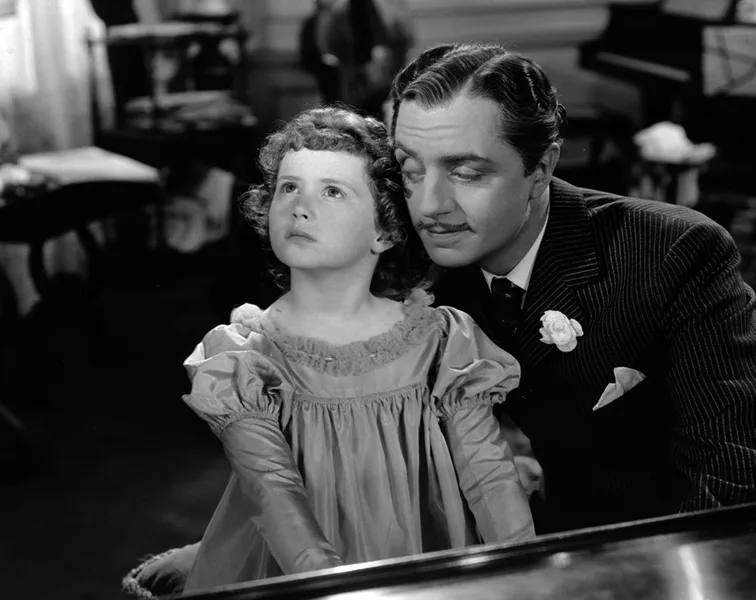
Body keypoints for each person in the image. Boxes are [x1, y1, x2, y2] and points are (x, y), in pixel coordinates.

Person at [389, 42, 756, 534]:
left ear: (541, 169)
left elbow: (743, 477)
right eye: (411, 170)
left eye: (467, 173)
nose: (429, 205)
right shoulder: (405, 266)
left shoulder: (673, 254)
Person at [123, 106, 534, 596]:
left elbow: (488, 475)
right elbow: (273, 493)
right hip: (299, 571)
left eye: (332, 191)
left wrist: (530, 574)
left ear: (385, 230)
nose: (300, 207)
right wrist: (341, 590)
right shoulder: (245, 355)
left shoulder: (442, 342)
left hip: (424, 556)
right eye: (288, 188)